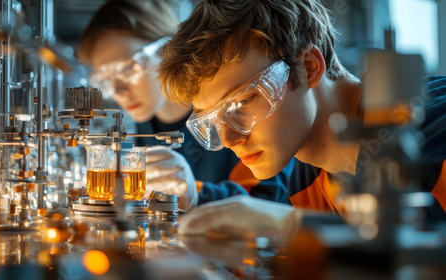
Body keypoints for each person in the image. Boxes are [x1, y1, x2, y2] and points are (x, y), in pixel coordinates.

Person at [157, 0, 446, 237]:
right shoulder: (306, 181)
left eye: (244, 101)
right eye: (212, 121)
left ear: (308, 67)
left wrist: (293, 226)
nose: (231, 139)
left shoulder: (431, 128)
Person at [78, 0, 284, 211]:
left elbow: (271, 203)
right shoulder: (140, 130)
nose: (118, 90)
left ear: (167, 49)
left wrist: (196, 195)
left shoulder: (232, 113)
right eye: (105, 78)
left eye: (128, 68)